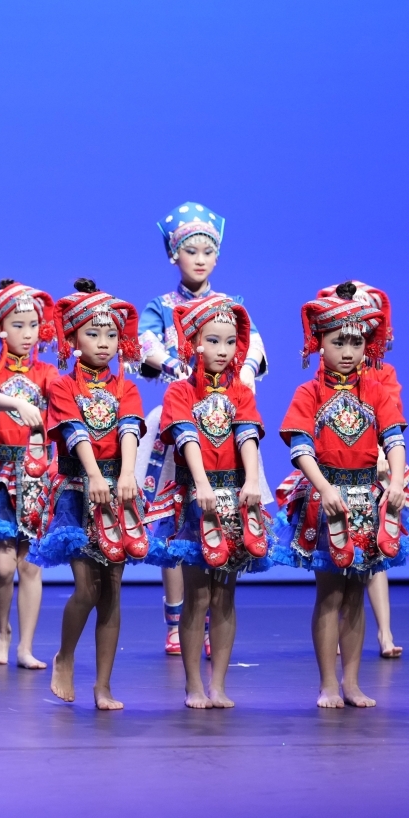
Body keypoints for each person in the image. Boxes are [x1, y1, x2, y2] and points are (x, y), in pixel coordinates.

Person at [134, 202, 268, 656]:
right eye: (191, 251)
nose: (200, 259)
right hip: (179, 414)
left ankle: (215, 617)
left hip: (225, 417)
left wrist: (244, 371)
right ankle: (177, 618)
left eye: (207, 252)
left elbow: (253, 346)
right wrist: (175, 366)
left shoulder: (231, 307)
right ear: (175, 254)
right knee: (176, 522)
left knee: (228, 511)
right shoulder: (162, 306)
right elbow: (145, 344)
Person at [272, 282, 409, 708]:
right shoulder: (309, 393)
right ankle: (328, 683)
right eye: (338, 342)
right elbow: (300, 448)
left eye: (356, 343)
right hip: (326, 499)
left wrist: (397, 481)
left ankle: (352, 682)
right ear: (320, 343)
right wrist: (324, 487)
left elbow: (394, 438)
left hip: (367, 498)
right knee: (330, 593)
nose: (348, 352)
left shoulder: (376, 391)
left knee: (356, 594)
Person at [143, 294, 272, 708]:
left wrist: (251, 480)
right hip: (194, 498)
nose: (223, 350)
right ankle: (193, 685)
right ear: (195, 343)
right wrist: (200, 484)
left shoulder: (241, 392)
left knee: (225, 595)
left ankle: (218, 684)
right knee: (198, 595)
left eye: (230, 342)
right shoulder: (181, 392)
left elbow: (247, 436)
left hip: (233, 496)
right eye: (213, 341)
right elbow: (186, 438)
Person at [32, 279, 147, 710]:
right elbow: (75, 432)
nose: (103, 343)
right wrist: (96, 475)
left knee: (112, 589)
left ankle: (103, 685)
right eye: (93, 334)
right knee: (87, 586)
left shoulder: (125, 386)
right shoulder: (63, 386)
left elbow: (129, 428)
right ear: (74, 338)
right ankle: (65, 656)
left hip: (118, 491)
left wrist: (127, 474)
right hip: (78, 490)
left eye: (111, 335)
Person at [0, 280, 59, 670]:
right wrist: (16, 402)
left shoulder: (47, 372)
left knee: (30, 565)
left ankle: (26, 647)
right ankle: (2, 631)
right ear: (0, 329)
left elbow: (65, 404)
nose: (28, 333)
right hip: (1, 475)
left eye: (33, 325)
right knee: (3, 567)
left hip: (38, 475)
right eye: (18, 325)